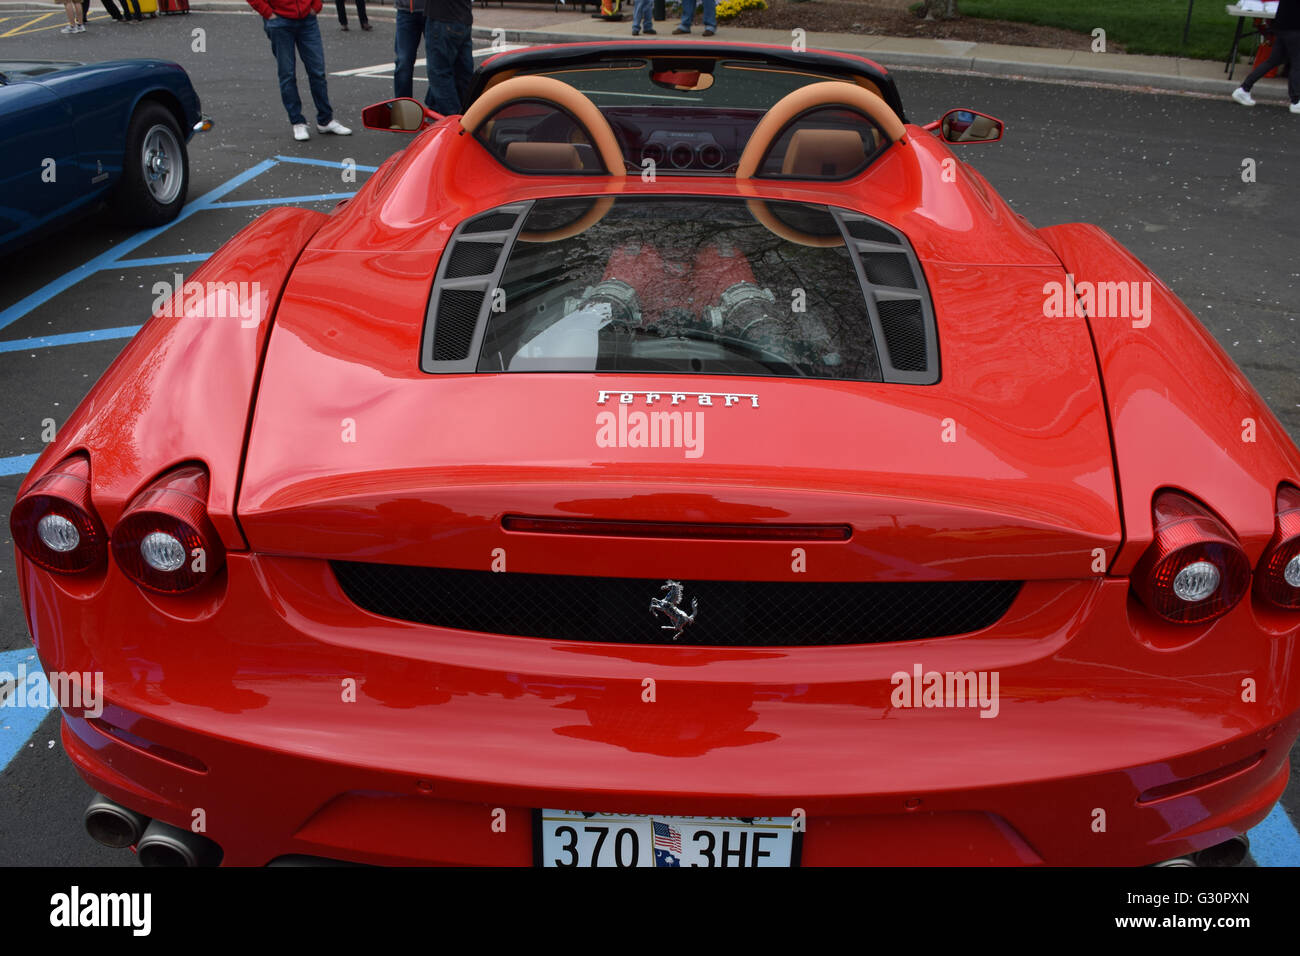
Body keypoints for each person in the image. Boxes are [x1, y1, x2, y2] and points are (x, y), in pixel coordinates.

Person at [245, 0, 353, 140]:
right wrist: (268, 12)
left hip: (306, 19)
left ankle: (325, 120)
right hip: (280, 21)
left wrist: (316, 6)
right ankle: (297, 121)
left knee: (317, 72)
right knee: (288, 74)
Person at [1232, 0, 1300, 112]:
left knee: (1273, 61)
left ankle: (1244, 89)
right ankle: (1296, 101)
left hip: (1282, 25)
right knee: (1297, 64)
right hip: (1295, 27)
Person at [425, 0, 473, 116]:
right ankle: (469, 116)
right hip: (463, 17)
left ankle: (453, 120)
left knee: (439, 73)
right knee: (462, 74)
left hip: (444, 18)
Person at [394, 0, 429, 103]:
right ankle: (403, 107)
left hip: (433, 12)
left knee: (437, 63)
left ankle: (435, 106)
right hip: (406, 11)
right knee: (403, 62)